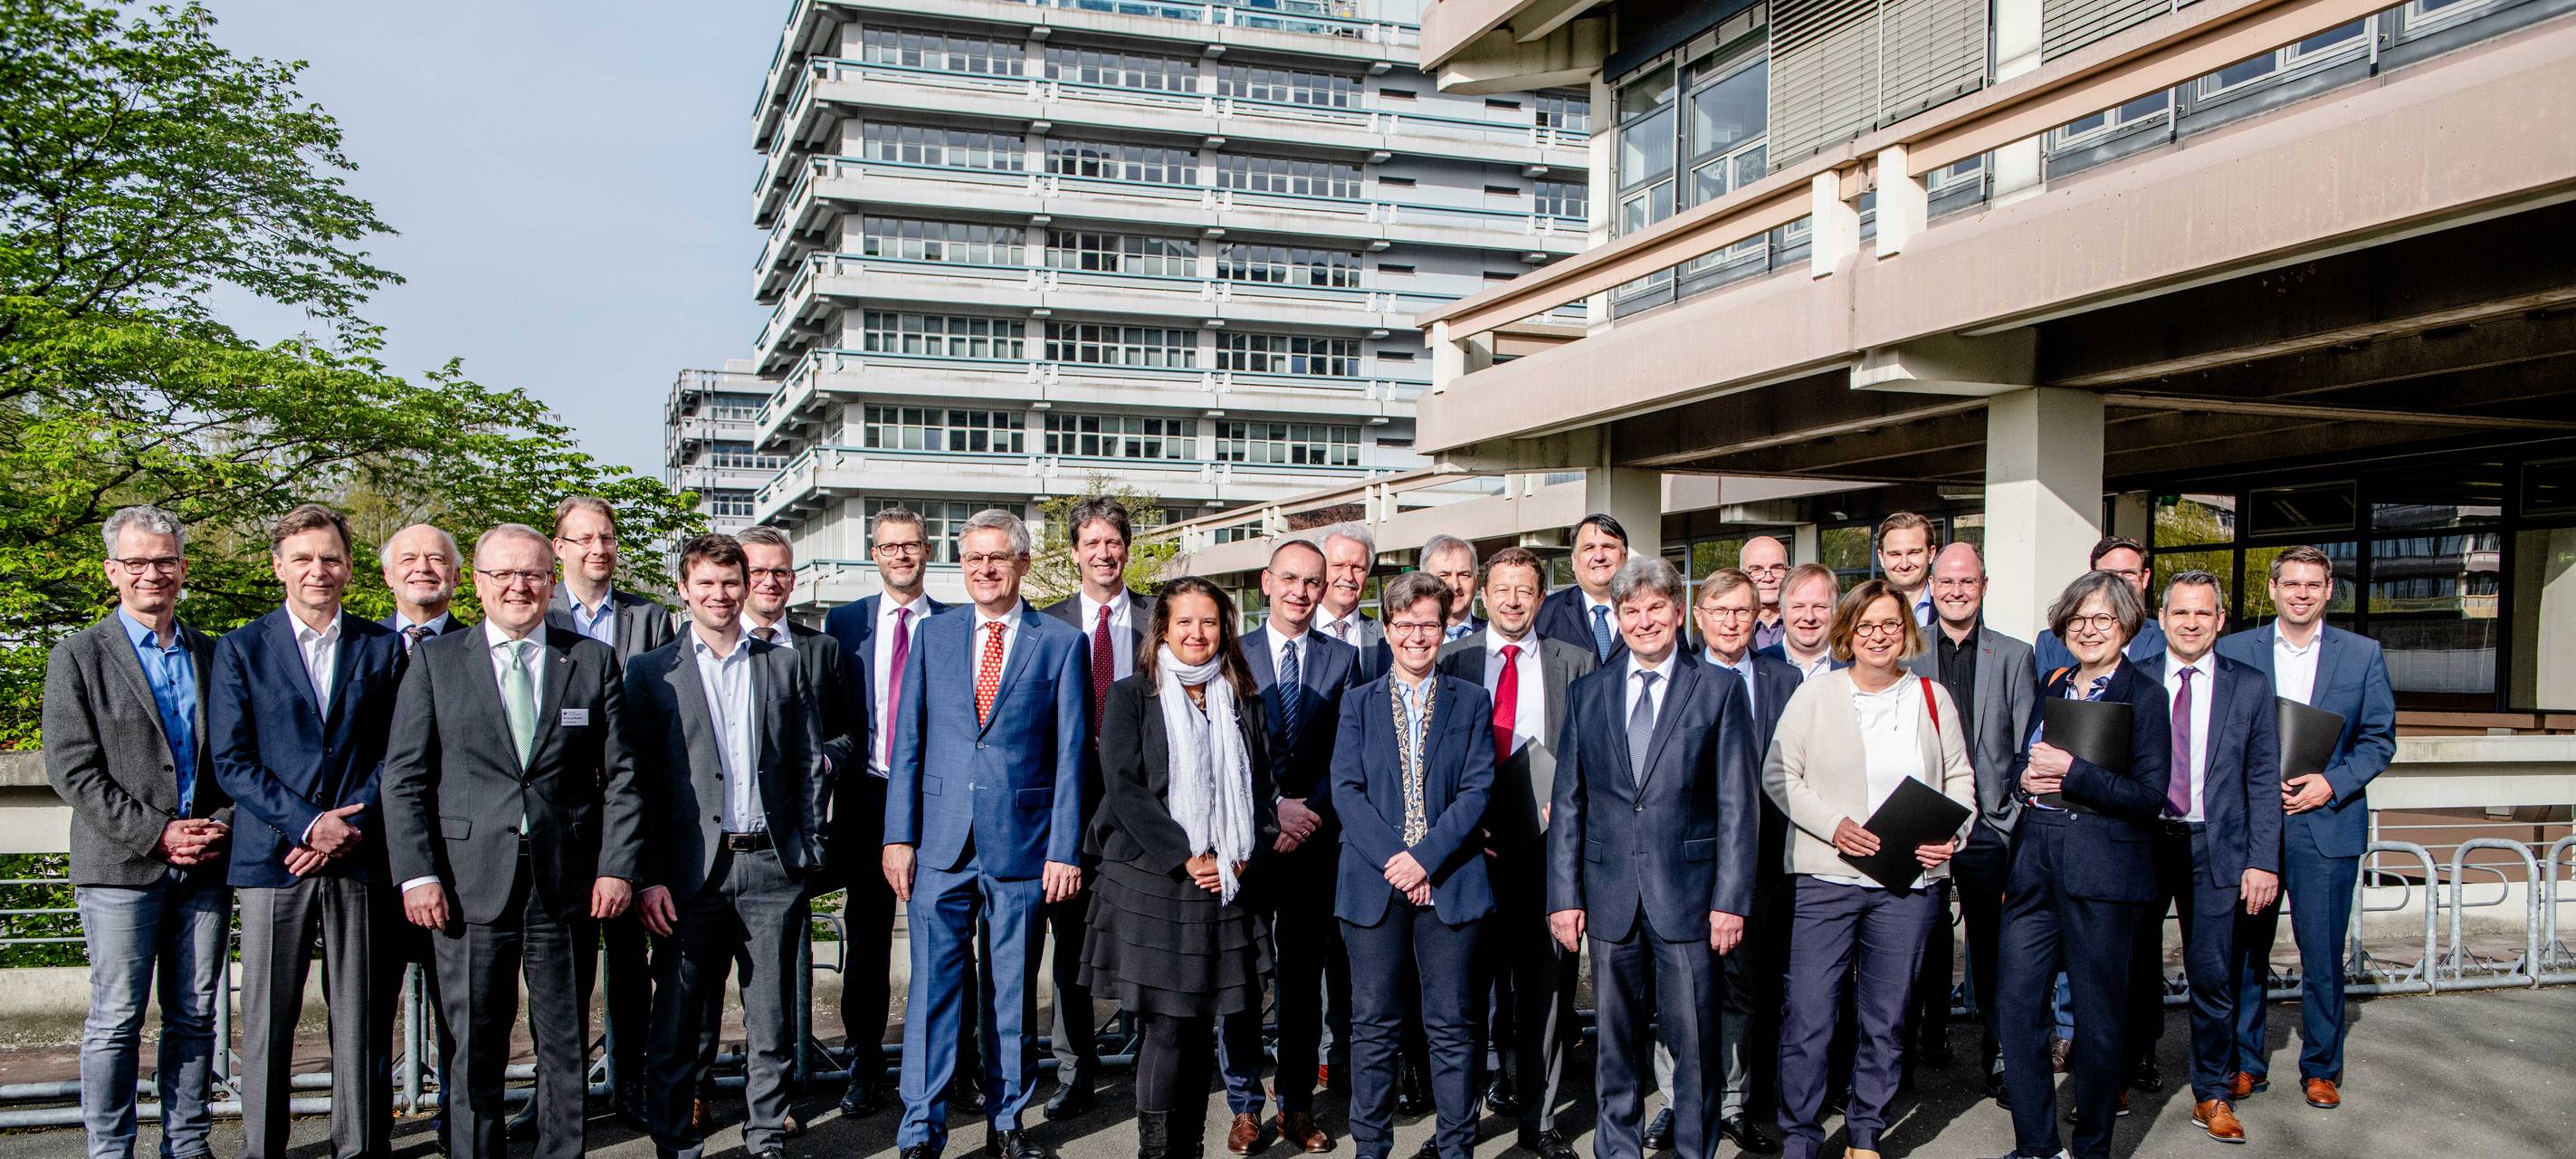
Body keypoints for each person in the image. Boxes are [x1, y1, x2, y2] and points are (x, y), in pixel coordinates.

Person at [383, 522, 644, 1159]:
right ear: (477, 584)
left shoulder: (588, 660)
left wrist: (616, 868)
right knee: (474, 1046)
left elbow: (623, 776)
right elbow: (405, 777)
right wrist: (417, 875)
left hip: (566, 883)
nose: (518, 586)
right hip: (467, 885)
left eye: (531, 574)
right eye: (503, 574)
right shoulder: (437, 663)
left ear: (551, 582)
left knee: (562, 1045)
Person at [884, 509, 1091, 1159]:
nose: (985, 569)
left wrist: (1064, 848)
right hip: (940, 845)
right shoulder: (935, 637)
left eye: (997, 557)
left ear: (1023, 563)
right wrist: (898, 837)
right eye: (973, 559)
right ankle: (921, 1126)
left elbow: (1072, 756)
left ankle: (1008, 1121)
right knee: (933, 991)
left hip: (1023, 847)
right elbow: (908, 743)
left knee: (1010, 992)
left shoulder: (1059, 643)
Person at [210, 503, 407, 1159]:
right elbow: (231, 761)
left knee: (362, 1017)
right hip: (274, 859)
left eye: (329, 557)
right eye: (303, 558)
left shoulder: (383, 647)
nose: (317, 570)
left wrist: (346, 824)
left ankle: (360, 1148)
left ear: (350, 568)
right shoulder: (240, 648)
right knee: (268, 1019)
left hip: (357, 853)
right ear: (278, 568)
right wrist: (306, 824)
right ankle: (264, 1149)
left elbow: (399, 753)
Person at [1548, 556, 1760, 1159]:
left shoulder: (1718, 690)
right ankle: (1617, 1150)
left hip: (1691, 901)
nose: (1644, 621)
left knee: (1694, 1042)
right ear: (1617, 618)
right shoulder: (1588, 693)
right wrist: (1563, 896)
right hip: (1609, 898)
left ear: (1677, 610)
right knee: (1614, 1047)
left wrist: (1729, 901)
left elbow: (1738, 807)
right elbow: (1569, 803)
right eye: (1631, 610)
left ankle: (1695, 1149)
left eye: (1656, 608)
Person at [625, 533, 828, 1159]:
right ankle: (675, 1139)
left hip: (770, 864)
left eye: (730, 582)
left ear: (746, 587)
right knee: (679, 1020)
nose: (720, 594)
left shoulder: (782, 664)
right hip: (687, 876)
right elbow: (637, 782)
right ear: (683, 590)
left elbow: (807, 762)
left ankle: (765, 1136)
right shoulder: (650, 671)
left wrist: (809, 851)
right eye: (706, 583)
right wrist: (647, 876)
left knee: (769, 1021)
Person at [1762, 580, 1975, 1159]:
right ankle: (1801, 1137)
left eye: (1888, 624)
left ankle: (1864, 1133)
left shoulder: (1932, 698)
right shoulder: (1815, 695)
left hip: (1907, 886)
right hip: (1826, 881)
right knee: (1810, 1016)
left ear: (1905, 629)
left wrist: (1952, 834)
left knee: (1885, 1019)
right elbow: (1780, 776)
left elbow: (1960, 779)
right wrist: (1832, 825)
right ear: (1847, 633)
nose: (1877, 635)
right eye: (1865, 626)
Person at [44, 505, 230, 1159]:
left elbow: (237, 761)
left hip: (206, 862)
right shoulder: (77, 656)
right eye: (137, 562)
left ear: (182, 569)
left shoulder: (213, 653)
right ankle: (109, 1149)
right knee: (117, 1019)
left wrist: (217, 827)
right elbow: (72, 767)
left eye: (165, 561)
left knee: (194, 1015)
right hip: (120, 865)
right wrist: (157, 834)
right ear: (112, 571)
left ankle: (187, 1143)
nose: (152, 573)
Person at [1082, 577, 1277, 1159]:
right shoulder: (1131, 695)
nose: (1198, 633)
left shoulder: (1243, 698)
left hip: (1227, 882)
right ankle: (1158, 1153)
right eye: (1185, 621)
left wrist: (1243, 851)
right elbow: (1123, 788)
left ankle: (1186, 1149)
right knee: (1167, 1028)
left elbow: (1262, 789)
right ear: (1161, 629)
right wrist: (1186, 856)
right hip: (1154, 880)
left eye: (1210, 621)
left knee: (1198, 1028)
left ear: (1225, 629)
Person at [1995, 570, 2171, 1159]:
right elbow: (2027, 764)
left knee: (2098, 1021)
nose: (2089, 629)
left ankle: (2091, 1147)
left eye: (2102, 619)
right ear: (2062, 626)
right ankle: (2035, 1146)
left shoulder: (2145, 695)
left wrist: (2073, 772)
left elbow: (2150, 796)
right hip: (2035, 868)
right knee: (2017, 1009)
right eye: (2078, 619)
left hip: (2105, 874)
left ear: (2124, 627)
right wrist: (2024, 778)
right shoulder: (2055, 684)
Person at [2217, 545, 2394, 1112]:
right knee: (2246, 952)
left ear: (2328, 590)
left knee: (2321, 955)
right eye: (2290, 583)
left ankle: (2321, 1066)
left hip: (2325, 824)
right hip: (2252, 827)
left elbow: (2379, 740)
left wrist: (2333, 783)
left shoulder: (2361, 654)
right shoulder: (2236, 649)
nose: (2301, 593)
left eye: (2312, 585)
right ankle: (2246, 1062)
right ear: (2271, 589)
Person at [1331, 571, 1498, 1159]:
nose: (1417, 636)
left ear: (1446, 627)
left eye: (1429, 623)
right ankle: (1370, 1150)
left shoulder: (1472, 701)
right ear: (1389, 628)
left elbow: (1478, 791)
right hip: (1373, 888)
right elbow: (1346, 792)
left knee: (1453, 1027)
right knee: (1373, 1028)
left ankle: (1456, 1148)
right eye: (1405, 625)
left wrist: (1425, 860)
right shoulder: (1357, 703)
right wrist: (1397, 862)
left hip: (1451, 884)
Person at [1437, 547, 1597, 1159]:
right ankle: (1460, 1124)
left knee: (1545, 992)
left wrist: (1570, 805)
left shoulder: (1575, 662)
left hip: (1546, 852)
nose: (1511, 599)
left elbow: (1591, 753)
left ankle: (1539, 1118)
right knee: (1465, 995)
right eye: (1501, 588)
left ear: (1540, 596)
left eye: (1524, 590)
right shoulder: (1453, 660)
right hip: (1469, 850)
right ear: (1481, 595)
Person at [821, 506, 972, 1116]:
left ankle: (958, 1066)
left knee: (950, 934)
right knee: (868, 937)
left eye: (911, 545)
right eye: (889, 547)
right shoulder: (844, 622)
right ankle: (865, 1062)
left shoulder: (955, 623)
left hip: (937, 797)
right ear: (874, 553)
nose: (901, 556)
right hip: (868, 795)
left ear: (927, 550)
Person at [2121, 571, 2281, 1144]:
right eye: (2181, 613)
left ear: (2220, 621)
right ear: (2161, 619)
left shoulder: (2251, 686)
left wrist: (2263, 860)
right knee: (2128, 966)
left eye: (2203, 614)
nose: (2191, 623)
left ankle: (2211, 1092)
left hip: (2217, 847)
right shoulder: (2133, 680)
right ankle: (2119, 1074)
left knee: (2212, 975)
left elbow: (2264, 780)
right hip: (2142, 841)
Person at [1221, 539, 1360, 1155]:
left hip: (1316, 844)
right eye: (1291, 580)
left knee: (1304, 984)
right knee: (1244, 980)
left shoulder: (1346, 658)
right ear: (1266, 582)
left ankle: (1298, 1105)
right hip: (1251, 841)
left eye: (1313, 582)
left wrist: (1310, 810)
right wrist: (1274, 807)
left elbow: (1350, 748)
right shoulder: (1234, 655)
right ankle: (1246, 1105)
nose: (1302, 593)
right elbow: (1227, 753)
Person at [545, 494, 676, 1125]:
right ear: (559, 547)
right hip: (559, 815)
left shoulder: (650, 619)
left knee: (632, 967)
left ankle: (632, 1089)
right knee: (561, 967)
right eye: (585, 539)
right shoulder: (534, 614)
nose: (599, 549)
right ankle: (560, 1099)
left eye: (608, 538)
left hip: (631, 812)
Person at [730, 524, 860, 1133]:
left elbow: (844, 733)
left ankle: (774, 1107)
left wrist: (822, 761)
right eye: (758, 571)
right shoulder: (706, 646)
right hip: (718, 841)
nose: (771, 581)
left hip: (791, 845)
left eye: (781, 571)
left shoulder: (820, 648)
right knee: (702, 987)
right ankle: (701, 1092)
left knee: (776, 990)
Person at [1035, 496, 1159, 1119]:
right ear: (1075, 552)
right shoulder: (1046, 624)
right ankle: (1076, 1070)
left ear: (1127, 550)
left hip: (1145, 808)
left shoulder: (1159, 620)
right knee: (1074, 945)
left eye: (1115, 542)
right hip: (1071, 809)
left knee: (1146, 938)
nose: (1105, 553)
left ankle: (1147, 1063)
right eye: (1093, 543)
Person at [1900, 544, 2037, 1098]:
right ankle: (1910, 1052)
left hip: (1990, 826)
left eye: (1967, 581)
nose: (1956, 591)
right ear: (1932, 585)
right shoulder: (1907, 650)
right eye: (1947, 582)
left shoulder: (2014, 654)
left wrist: (2012, 818)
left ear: (1984, 584)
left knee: (1994, 948)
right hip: (1923, 821)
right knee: (1913, 942)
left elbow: (2027, 743)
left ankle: (2000, 1057)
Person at [1686, 569, 1800, 1154]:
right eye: (1719, 610)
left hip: (1763, 863)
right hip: (1686, 865)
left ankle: (1738, 1103)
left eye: (1742, 611)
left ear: (1757, 616)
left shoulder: (1786, 678)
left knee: (1746, 989)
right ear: (1699, 615)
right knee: (1684, 991)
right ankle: (1686, 1102)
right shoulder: (1679, 678)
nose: (1731, 622)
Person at [376, 521, 468, 1134]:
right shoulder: (360, 647)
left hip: (465, 861)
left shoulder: (484, 645)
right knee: (365, 1014)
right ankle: (370, 1135)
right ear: (386, 574)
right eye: (408, 558)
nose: (423, 568)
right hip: (372, 859)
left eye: (438, 559)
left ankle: (458, 1133)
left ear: (460, 577)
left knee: (462, 1013)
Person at [2033, 537, 2168, 677]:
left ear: (2145, 578)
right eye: (2109, 574)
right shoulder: (2051, 642)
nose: (2119, 582)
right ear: (2092, 578)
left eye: (2129, 573)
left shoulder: (2165, 638)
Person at [1535, 513, 1632, 665]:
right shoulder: (1546, 611)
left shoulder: (1651, 609)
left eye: (1608, 546)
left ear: (1625, 557)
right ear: (1574, 561)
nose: (1599, 556)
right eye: (1589, 548)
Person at [1316, 523, 1391, 681]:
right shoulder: (1297, 631)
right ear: (1320, 570)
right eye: (1338, 565)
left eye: (1358, 568)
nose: (1348, 576)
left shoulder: (1387, 638)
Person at [1760, 565, 1840, 680]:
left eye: (1819, 606)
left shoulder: (1857, 665)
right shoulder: (1757, 667)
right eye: (1798, 606)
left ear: (1835, 610)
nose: (1809, 617)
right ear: (1782, 610)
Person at [1873, 513, 1935, 629]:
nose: (1905, 564)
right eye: (1895, 554)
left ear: (1931, 554)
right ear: (1881, 557)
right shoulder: (1863, 611)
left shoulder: (1951, 609)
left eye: (1914, 553)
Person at [1422, 534, 1484, 640]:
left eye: (1464, 575)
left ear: (1476, 581)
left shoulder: (1498, 638)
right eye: (1444, 576)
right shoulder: (1406, 641)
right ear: (1424, 582)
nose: (1455, 586)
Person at [1741, 537, 1791, 653]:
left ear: (1788, 573)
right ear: (1743, 576)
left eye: (1777, 568)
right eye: (1757, 570)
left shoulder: (1809, 623)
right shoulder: (1721, 632)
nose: (1768, 578)